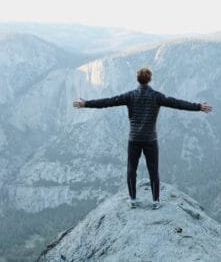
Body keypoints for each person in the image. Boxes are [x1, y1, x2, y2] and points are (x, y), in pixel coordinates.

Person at [73, 67, 212, 210]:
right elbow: (177, 103)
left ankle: (133, 199)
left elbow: (108, 101)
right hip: (150, 139)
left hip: (134, 139)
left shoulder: (130, 96)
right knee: (153, 171)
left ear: (137, 79)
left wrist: (86, 103)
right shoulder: (157, 96)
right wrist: (199, 107)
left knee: (131, 169)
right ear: (150, 79)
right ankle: (155, 201)